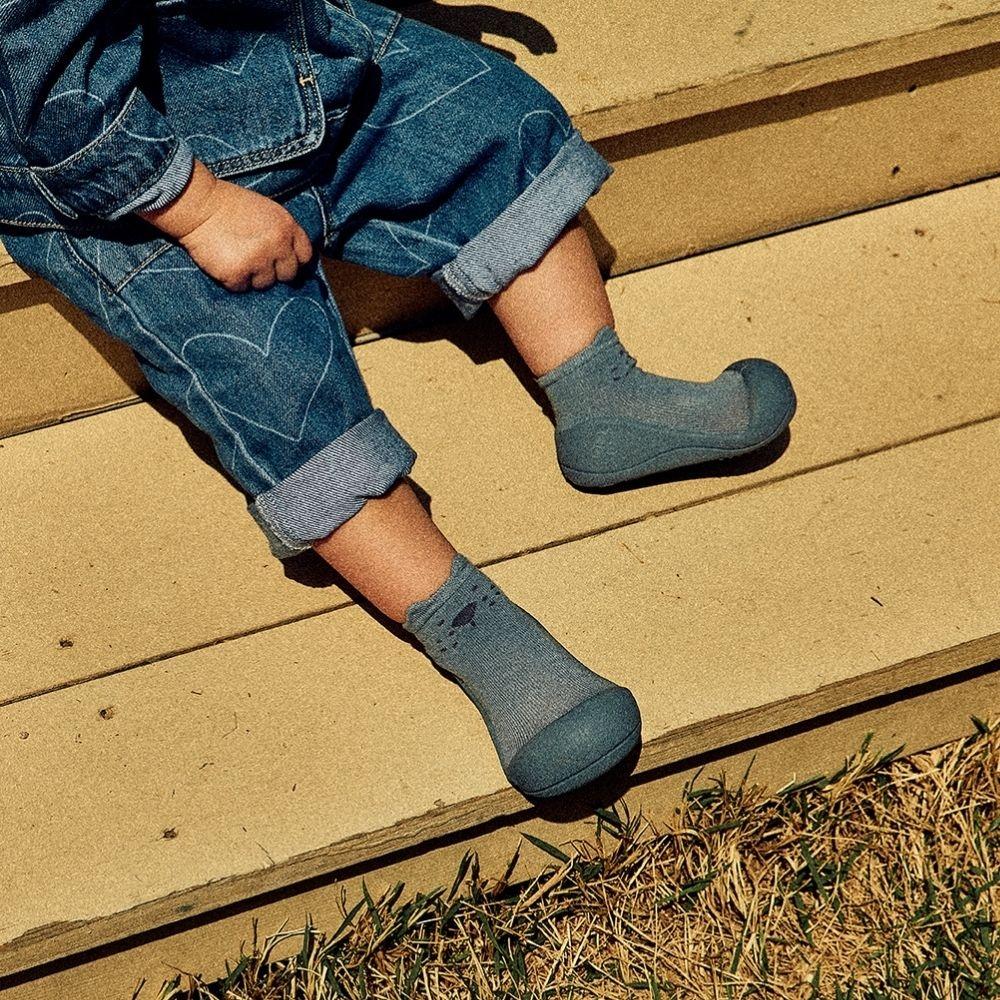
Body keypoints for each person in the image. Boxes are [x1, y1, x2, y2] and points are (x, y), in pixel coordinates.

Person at [0, 0, 796, 799]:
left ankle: (603, 389)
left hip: (295, 55)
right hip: (123, 184)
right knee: (263, 374)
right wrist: (198, 208)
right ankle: (471, 626)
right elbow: (44, 93)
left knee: (490, 121)